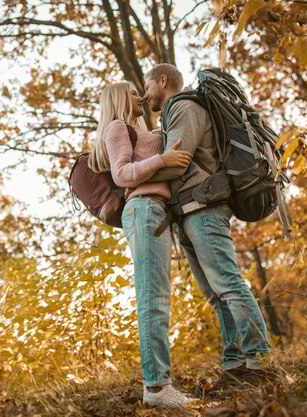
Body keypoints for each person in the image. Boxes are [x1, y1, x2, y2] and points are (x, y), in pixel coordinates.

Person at [142, 64, 274, 396]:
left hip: (204, 207)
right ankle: (236, 366)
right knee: (216, 295)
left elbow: (179, 159)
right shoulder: (175, 109)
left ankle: (261, 363)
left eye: (147, 85)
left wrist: (132, 183)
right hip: (189, 210)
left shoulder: (184, 105)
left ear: (162, 81)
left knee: (229, 286)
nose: (145, 94)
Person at [88, 82, 196, 407]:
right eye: (134, 92)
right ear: (121, 98)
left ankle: (159, 385)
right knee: (153, 298)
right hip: (144, 209)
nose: (140, 96)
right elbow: (121, 174)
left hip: (156, 212)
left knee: (159, 296)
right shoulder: (117, 127)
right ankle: (157, 388)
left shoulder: (139, 128)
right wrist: (162, 160)